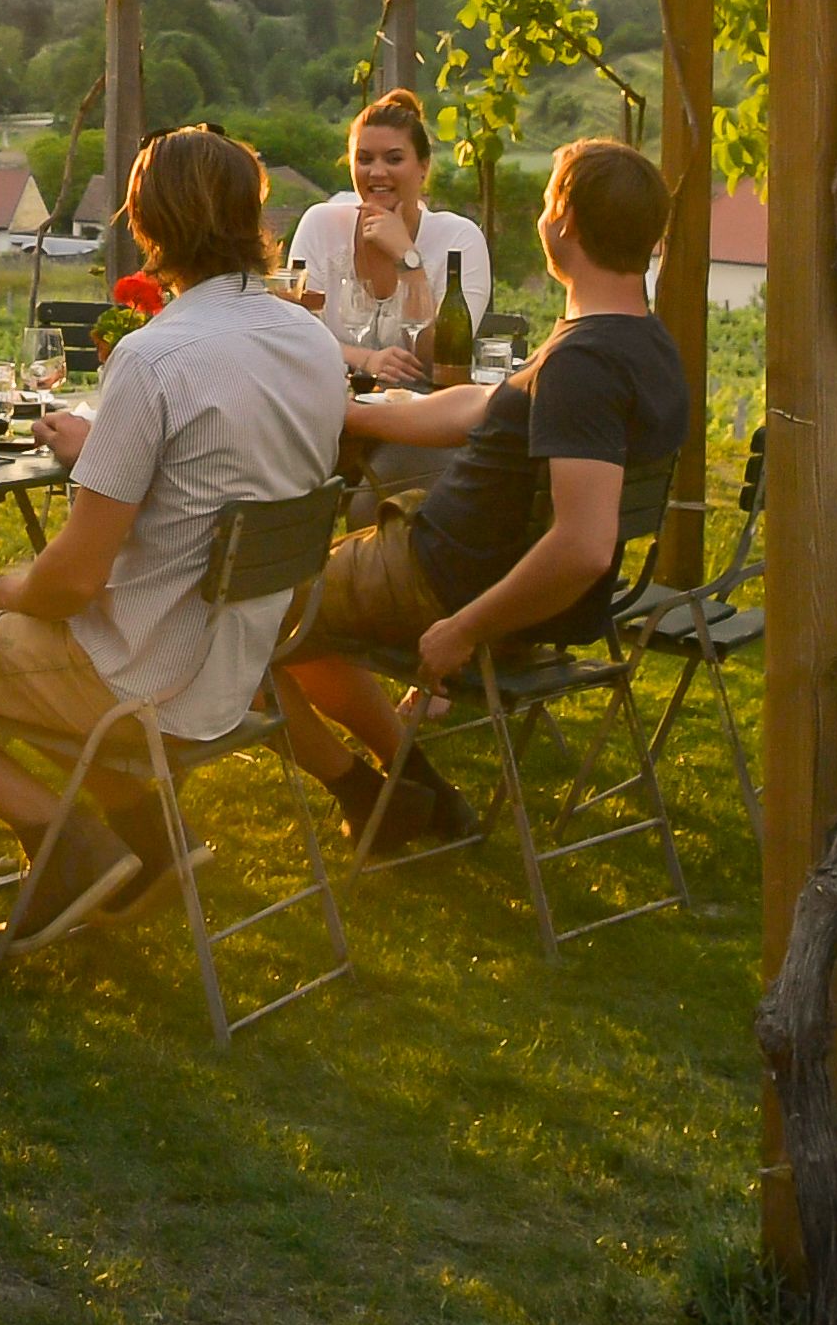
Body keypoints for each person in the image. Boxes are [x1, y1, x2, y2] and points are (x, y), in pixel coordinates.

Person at [0, 127, 348, 945]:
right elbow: (227, 464)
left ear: (148, 224)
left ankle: (62, 841)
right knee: (35, 635)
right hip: (237, 663)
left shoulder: (155, 358)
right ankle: (148, 844)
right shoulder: (311, 340)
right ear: (253, 216)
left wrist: (5, 591)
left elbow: (70, 586)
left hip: (145, 677)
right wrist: (101, 447)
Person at [276, 134, 692, 853]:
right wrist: (353, 414)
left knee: (240, 604)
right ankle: (412, 788)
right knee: (280, 604)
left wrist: (465, 629)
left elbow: (585, 545)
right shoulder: (635, 342)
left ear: (564, 223)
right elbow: (481, 404)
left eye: (547, 200)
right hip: (456, 565)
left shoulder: (585, 365)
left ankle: (384, 791)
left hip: (439, 578)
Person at [286, 89, 495, 388]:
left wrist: (408, 260)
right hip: (332, 408)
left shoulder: (460, 240)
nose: (377, 172)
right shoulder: (320, 225)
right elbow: (296, 336)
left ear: (423, 168)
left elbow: (440, 360)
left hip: (422, 415)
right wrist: (365, 359)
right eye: (365, 159)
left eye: (394, 159)